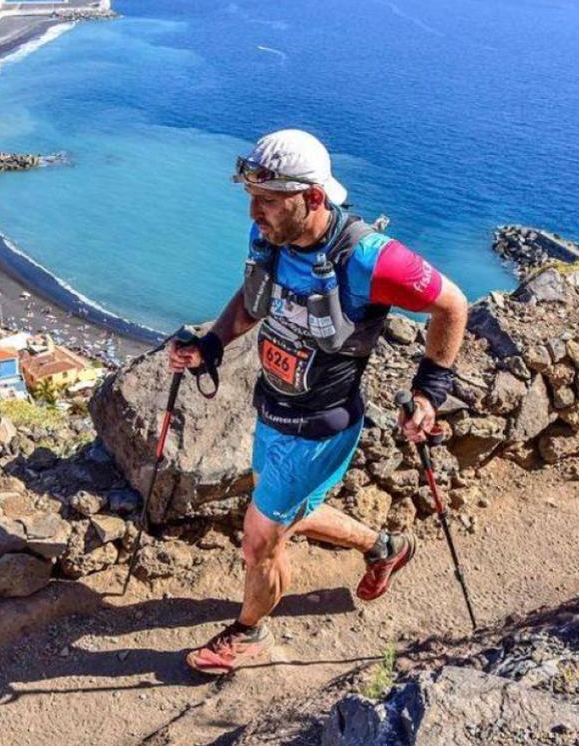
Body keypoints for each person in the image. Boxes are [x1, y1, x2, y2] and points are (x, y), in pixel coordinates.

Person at [170, 129, 469, 675]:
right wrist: (210, 345)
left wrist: (431, 391)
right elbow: (257, 299)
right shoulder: (273, 238)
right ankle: (384, 547)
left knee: (260, 537)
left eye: (266, 201)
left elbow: (452, 304)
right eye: (251, 198)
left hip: (322, 426)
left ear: (312, 198)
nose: (253, 213)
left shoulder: (370, 259)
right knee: (290, 512)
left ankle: (249, 633)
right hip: (275, 410)